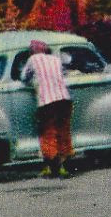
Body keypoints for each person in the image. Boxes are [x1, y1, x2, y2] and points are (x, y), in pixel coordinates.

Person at [20, 39, 73, 178]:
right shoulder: (56, 59)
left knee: (47, 133)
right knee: (63, 131)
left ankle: (54, 168)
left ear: (32, 51)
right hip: (64, 98)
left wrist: (34, 81)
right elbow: (64, 74)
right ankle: (67, 166)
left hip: (47, 101)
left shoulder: (33, 59)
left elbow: (23, 77)